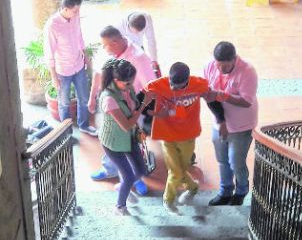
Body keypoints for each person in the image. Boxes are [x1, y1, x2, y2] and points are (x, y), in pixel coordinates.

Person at [144, 62, 226, 214]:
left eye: (179, 86)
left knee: (180, 169)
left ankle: (193, 188)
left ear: (187, 81)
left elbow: (211, 99)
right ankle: (168, 200)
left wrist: (221, 120)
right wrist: (143, 120)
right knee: (175, 172)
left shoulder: (198, 84)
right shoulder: (159, 84)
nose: (174, 88)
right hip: (167, 136)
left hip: (188, 136)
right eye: (171, 84)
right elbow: (142, 98)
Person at [88, 26, 156, 196]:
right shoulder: (107, 53)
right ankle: (110, 168)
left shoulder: (139, 58)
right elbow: (98, 74)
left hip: (132, 106)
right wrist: (92, 97)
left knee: (132, 143)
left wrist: (142, 110)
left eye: (106, 45)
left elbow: (151, 85)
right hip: (110, 104)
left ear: (116, 42)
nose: (104, 49)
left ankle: (136, 177)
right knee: (111, 138)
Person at [203, 42, 259, 206]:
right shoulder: (209, 66)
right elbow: (207, 96)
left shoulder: (247, 71)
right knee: (222, 160)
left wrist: (222, 95)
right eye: (218, 65)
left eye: (225, 67)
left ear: (234, 59)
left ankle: (241, 191)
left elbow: (247, 101)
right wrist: (220, 121)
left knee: (236, 162)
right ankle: (225, 191)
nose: (220, 70)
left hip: (242, 125)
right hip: (219, 123)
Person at [97, 59, 154, 215]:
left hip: (129, 138)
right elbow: (126, 125)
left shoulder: (126, 88)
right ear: (116, 81)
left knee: (142, 169)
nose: (131, 86)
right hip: (113, 143)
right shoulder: (109, 99)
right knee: (128, 176)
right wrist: (144, 105)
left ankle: (122, 186)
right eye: (128, 83)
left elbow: (133, 109)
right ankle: (120, 206)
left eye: (132, 82)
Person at [43, 0, 97, 136]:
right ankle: (66, 134)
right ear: (65, 9)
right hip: (62, 71)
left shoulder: (75, 17)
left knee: (83, 98)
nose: (77, 13)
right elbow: (49, 53)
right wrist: (54, 76)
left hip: (78, 66)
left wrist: (85, 56)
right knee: (64, 103)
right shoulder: (52, 25)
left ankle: (84, 125)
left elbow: (79, 37)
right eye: (75, 11)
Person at [117, 11, 160, 77]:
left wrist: (153, 59)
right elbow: (118, 46)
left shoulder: (147, 18)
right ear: (128, 24)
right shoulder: (120, 26)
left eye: (139, 32)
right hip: (126, 50)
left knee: (145, 71)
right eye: (134, 32)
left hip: (139, 47)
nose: (137, 34)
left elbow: (151, 40)